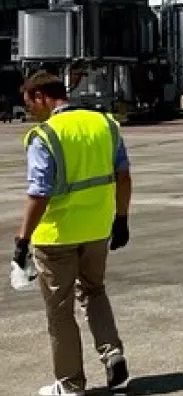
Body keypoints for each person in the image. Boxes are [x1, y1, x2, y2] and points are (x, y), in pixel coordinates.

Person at [13, 72, 132, 396]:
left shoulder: (45, 135)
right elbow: (123, 176)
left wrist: (22, 240)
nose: (30, 112)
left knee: (60, 311)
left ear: (41, 96)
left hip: (57, 236)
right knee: (95, 292)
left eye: (30, 104)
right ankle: (113, 355)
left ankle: (70, 384)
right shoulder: (106, 124)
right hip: (97, 228)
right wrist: (121, 219)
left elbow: (39, 194)